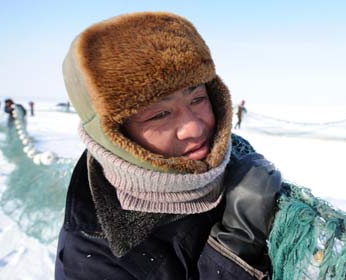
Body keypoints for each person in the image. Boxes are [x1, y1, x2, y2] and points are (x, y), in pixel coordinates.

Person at [55, 12, 282, 279]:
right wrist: (235, 247)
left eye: (197, 98)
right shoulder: (91, 256)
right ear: (115, 136)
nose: (195, 128)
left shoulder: (230, 159)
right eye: (159, 115)